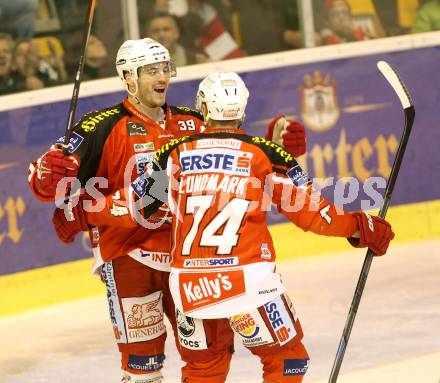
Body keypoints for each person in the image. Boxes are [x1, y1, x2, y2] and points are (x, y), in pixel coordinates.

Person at [62, 71, 395, 382]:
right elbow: (311, 214)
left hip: (191, 286)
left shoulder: (173, 153)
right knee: (288, 361)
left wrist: (83, 210)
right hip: (248, 284)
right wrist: (361, 227)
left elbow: (131, 207)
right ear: (243, 109)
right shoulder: (266, 153)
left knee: (203, 370)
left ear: (203, 109)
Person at [28, 38, 307, 382]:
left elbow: (241, 155)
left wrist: (277, 146)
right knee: (143, 366)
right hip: (129, 258)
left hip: (187, 265)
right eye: (150, 70)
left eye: (164, 68)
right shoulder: (100, 125)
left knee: (211, 355)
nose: (161, 77)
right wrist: (49, 172)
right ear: (128, 77)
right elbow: (47, 183)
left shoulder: (193, 121)